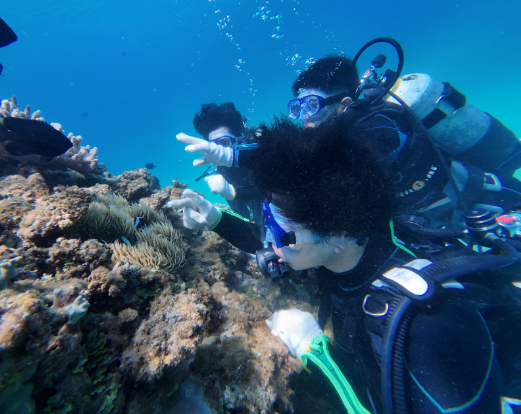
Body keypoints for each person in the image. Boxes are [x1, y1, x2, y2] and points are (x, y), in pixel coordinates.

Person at [168, 116, 521, 413]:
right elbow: (275, 239)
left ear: (337, 235)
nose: (270, 242)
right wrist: (215, 219)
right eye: (267, 216)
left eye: (280, 230)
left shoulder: (425, 325)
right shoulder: (349, 238)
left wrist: (317, 355)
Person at [176, 55, 521, 229]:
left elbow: (317, 160)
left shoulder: (379, 125)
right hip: (434, 224)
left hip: (487, 206)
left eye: (311, 106)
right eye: (296, 108)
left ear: (343, 104)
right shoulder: (334, 135)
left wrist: (232, 158)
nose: (303, 118)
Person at [192, 102, 265, 224]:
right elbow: (241, 214)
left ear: (241, 140)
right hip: (236, 189)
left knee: (261, 218)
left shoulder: (259, 154)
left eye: (225, 142)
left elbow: (272, 191)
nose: (218, 151)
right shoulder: (222, 172)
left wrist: (234, 193)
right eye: (213, 146)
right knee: (245, 219)